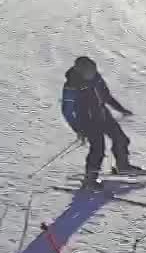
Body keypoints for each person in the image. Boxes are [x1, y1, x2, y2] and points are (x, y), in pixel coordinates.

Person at [60, 55, 140, 186]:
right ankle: (90, 179)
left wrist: (120, 109)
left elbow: (106, 95)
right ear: (81, 72)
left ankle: (123, 167)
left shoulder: (96, 78)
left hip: (103, 115)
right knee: (98, 149)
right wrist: (78, 129)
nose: (92, 74)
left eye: (93, 70)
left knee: (121, 139)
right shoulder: (71, 86)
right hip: (88, 122)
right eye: (89, 72)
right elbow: (67, 111)